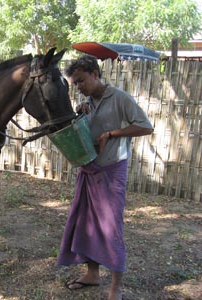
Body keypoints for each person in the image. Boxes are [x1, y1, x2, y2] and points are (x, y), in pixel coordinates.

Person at [57, 55, 154, 300]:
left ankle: (116, 288)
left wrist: (112, 133)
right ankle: (92, 274)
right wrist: (81, 115)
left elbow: (145, 126)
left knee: (111, 228)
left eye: (81, 81)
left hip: (112, 171)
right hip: (89, 170)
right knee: (86, 223)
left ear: (95, 74)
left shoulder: (120, 98)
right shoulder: (88, 101)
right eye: (75, 84)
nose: (78, 87)